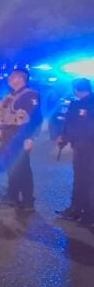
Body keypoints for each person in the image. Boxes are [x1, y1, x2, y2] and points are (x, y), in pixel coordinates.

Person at [0, 68, 42, 211]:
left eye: (13, 76)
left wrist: (30, 138)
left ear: (21, 78)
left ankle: (27, 201)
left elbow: (36, 118)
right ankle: (12, 196)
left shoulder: (30, 95)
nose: (10, 79)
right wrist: (1, 130)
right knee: (11, 167)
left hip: (20, 136)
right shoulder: (12, 95)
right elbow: (4, 114)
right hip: (9, 135)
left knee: (22, 169)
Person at [56, 77, 94, 226]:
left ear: (76, 89)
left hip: (87, 148)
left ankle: (88, 215)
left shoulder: (84, 104)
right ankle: (77, 209)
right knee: (81, 180)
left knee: (88, 181)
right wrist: (64, 137)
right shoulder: (77, 103)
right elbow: (70, 124)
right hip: (81, 147)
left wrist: (65, 138)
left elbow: (78, 127)